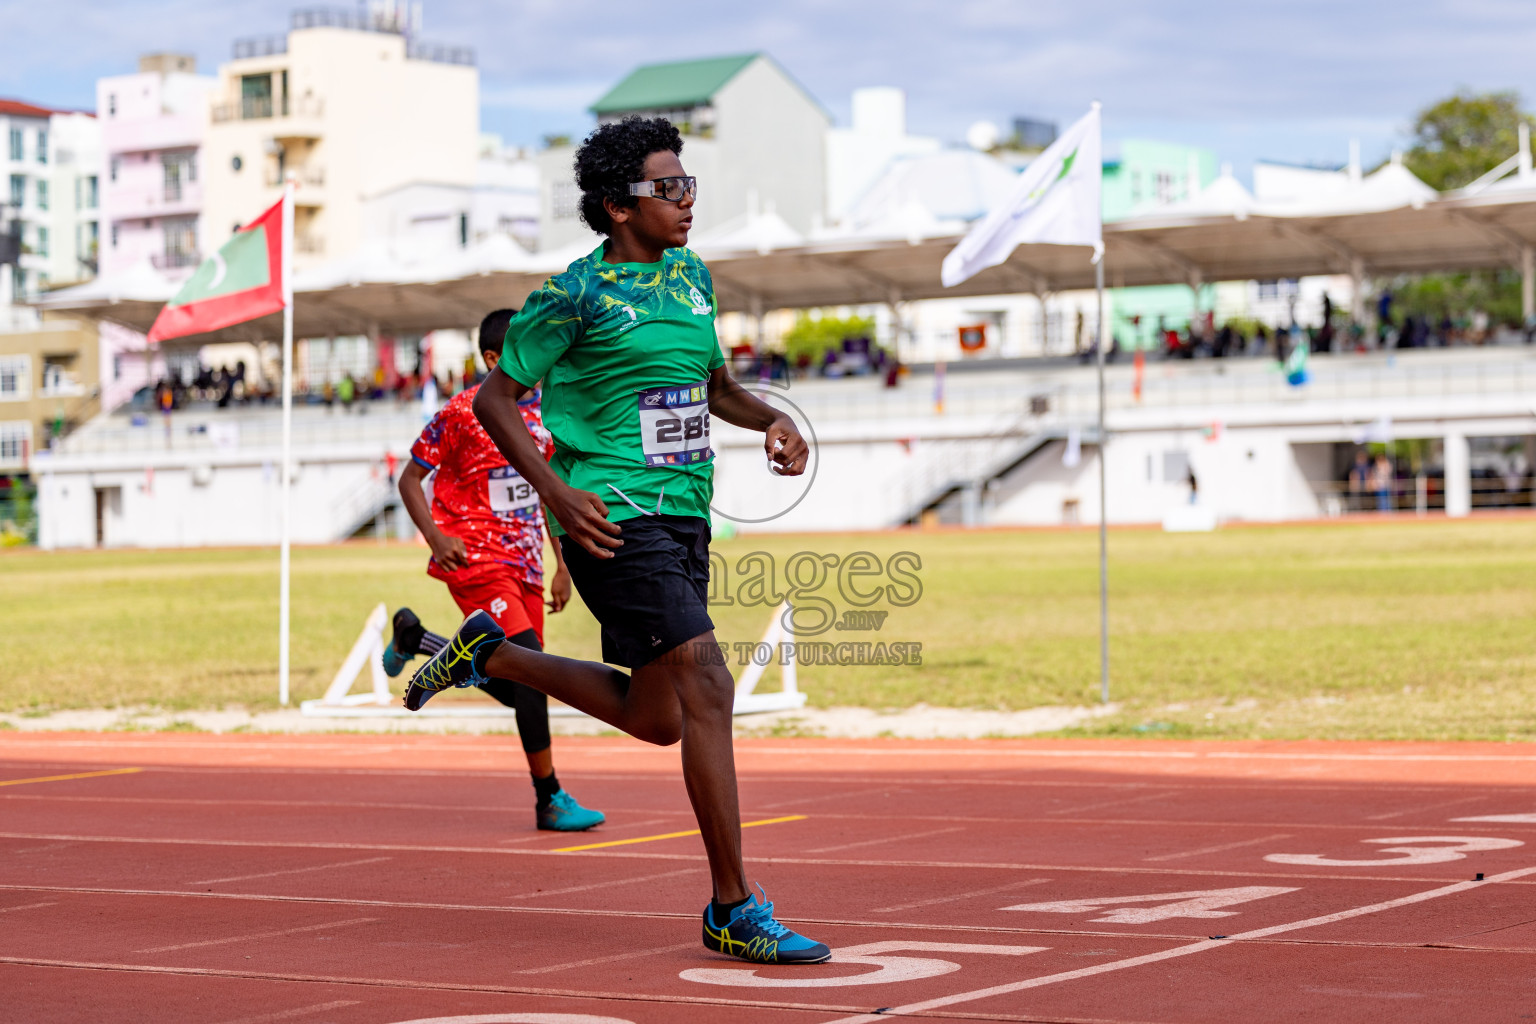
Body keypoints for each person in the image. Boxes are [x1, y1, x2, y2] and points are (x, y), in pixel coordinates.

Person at [405, 116, 831, 966]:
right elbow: (496, 401)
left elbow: (713, 387)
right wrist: (557, 490)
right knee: (710, 684)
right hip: (609, 516)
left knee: (660, 716)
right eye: (667, 188)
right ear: (617, 207)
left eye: (689, 184)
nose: (686, 201)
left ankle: (493, 658)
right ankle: (732, 907)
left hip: (684, 514)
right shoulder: (573, 296)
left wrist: (772, 419)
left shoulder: (692, 279)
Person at [389, 309, 604, 832]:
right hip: (476, 558)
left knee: (523, 677)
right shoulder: (464, 412)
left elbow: (548, 496)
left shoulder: (545, 418)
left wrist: (561, 566)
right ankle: (548, 797)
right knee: (531, 671)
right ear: (492, 358)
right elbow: (409, 479)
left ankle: (424, 643)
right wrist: (437, 539)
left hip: (529, 564)